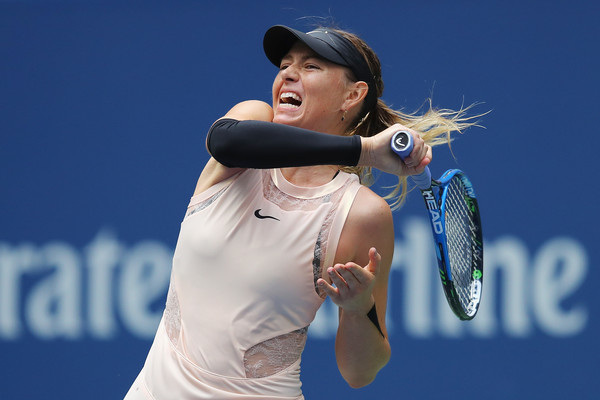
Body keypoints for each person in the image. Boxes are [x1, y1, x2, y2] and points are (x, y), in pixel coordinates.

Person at [124, 24, 477, 400]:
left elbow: (360, 373)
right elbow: (226, 140)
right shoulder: (249, 124)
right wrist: (365, 151)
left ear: (353, 95)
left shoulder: (360, 213)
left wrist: (360, 309)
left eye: (311, 67)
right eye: (285, 65)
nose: (288, 73)